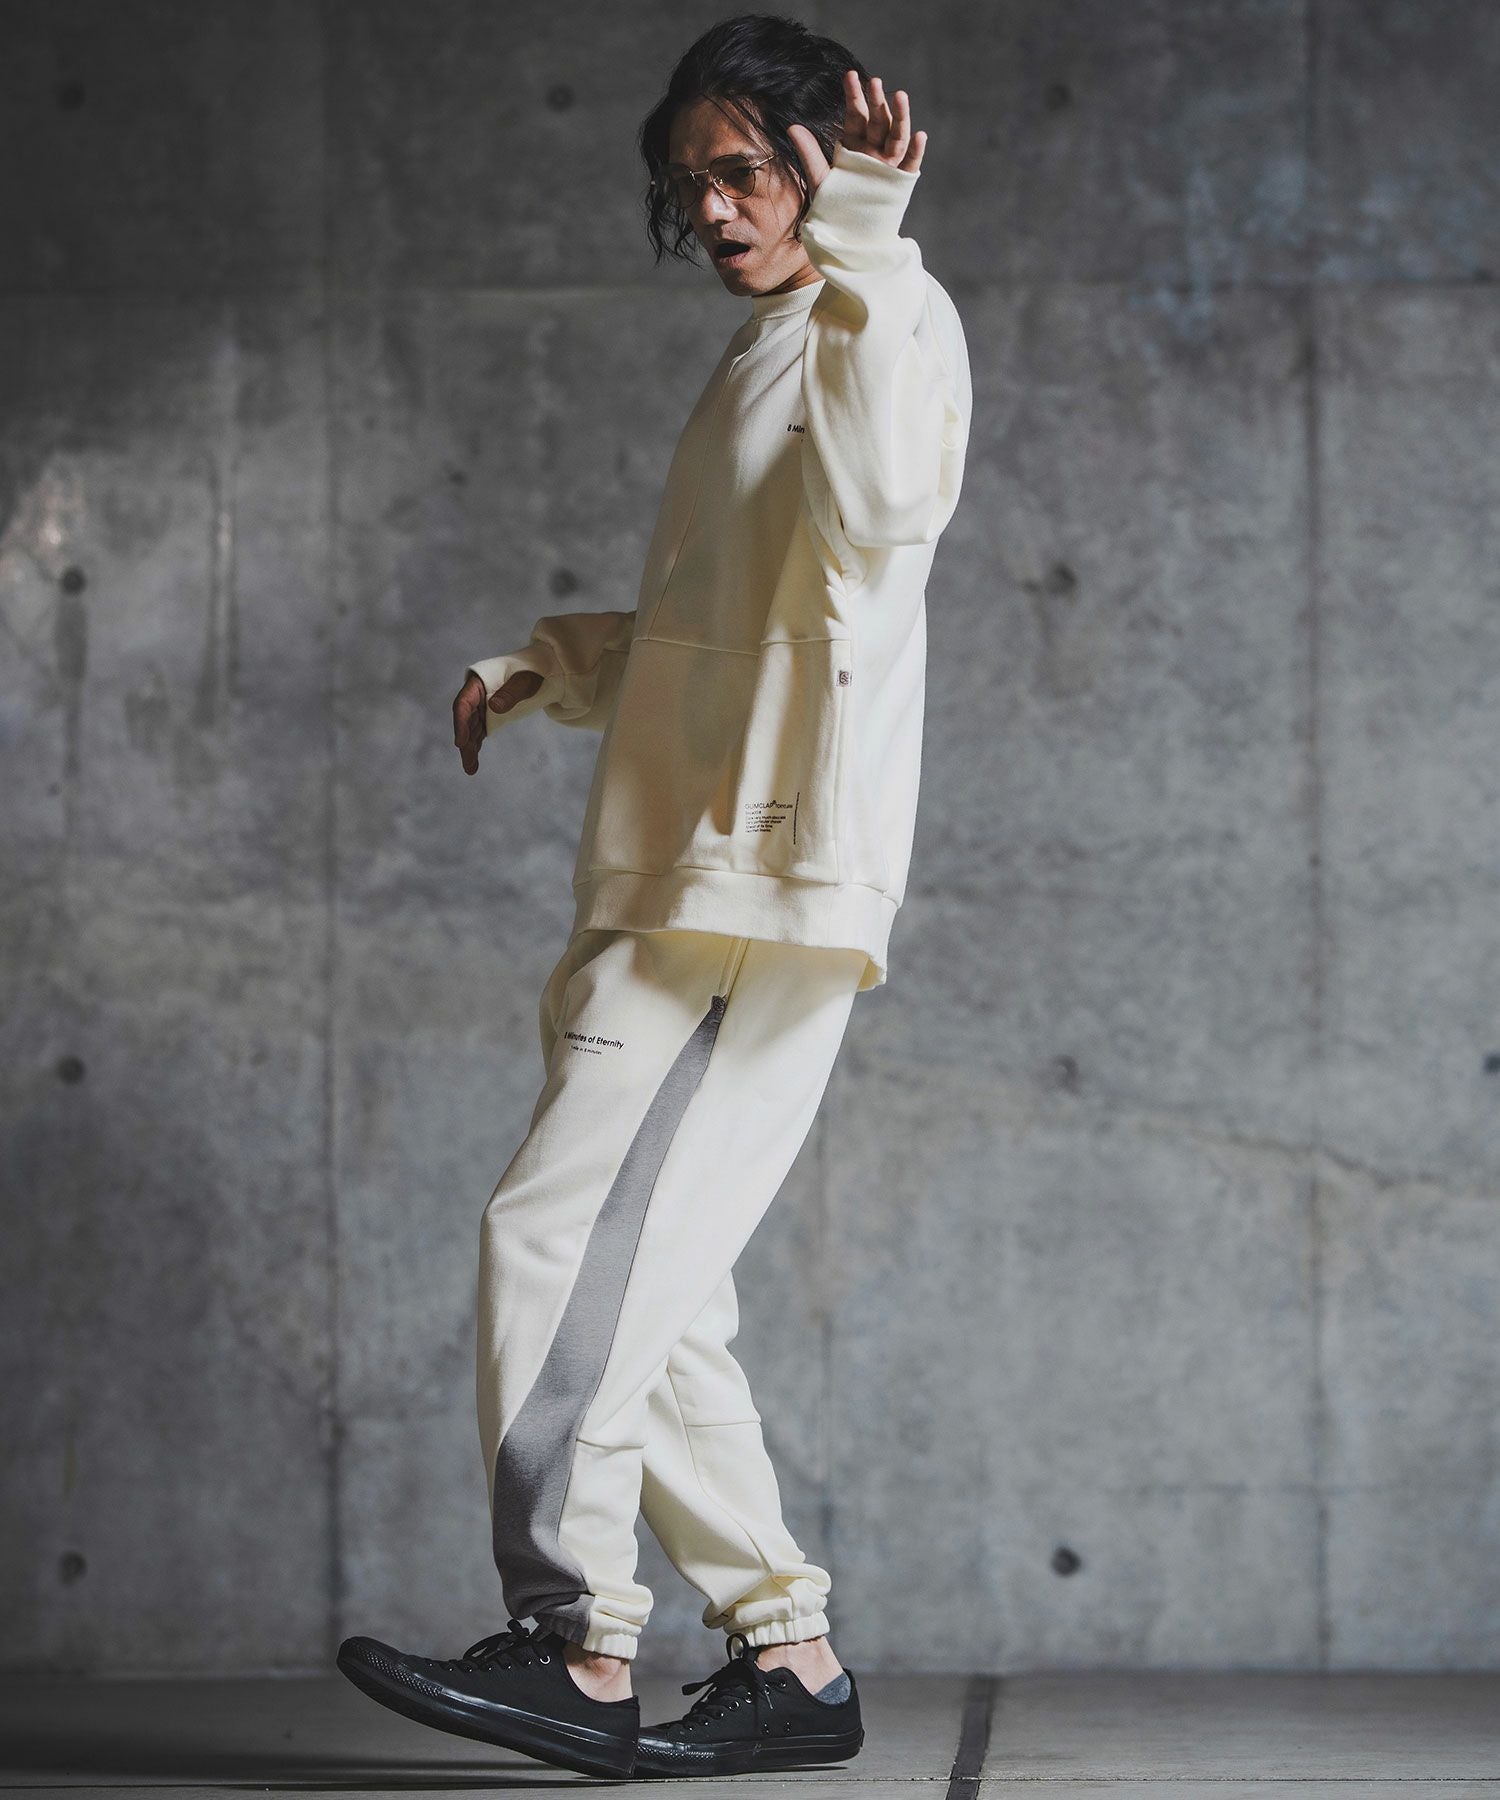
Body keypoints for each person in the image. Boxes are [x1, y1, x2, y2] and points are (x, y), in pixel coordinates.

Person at [337, 12, 971, 1781]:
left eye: (745, 170)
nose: (712, 207)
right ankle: (791, 1659)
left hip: (753, 891)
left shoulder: (885, 318)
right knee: (655, 1291)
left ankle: (579, 1645)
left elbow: (889, 512)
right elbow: (731, 624)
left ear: (825, 167)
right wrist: (548, 665)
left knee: (553, 1235)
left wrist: (870, 250)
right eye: (691, 181)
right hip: (675, 872)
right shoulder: (768, 349)